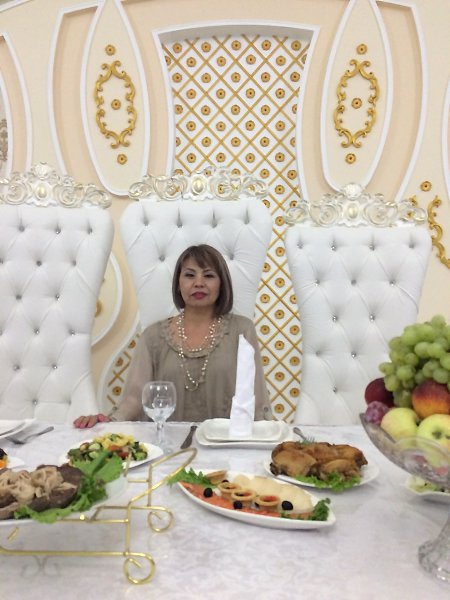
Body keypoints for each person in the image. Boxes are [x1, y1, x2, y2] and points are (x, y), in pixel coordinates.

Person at [74, 244, 271, 428]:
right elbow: (134, 399)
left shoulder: (242, 330)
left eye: (209, 275)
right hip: (164, 446)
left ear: (222, 284)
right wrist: (108, 422)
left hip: (226, 444)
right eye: (190, 275)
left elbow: (256, 398)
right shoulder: (153, 337)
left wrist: (267, 435)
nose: (199, 283)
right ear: (178, 284)